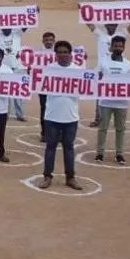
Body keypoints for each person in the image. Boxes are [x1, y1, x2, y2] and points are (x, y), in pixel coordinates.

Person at [40, 40, 83, 191]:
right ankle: (47, 176)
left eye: (65, 52)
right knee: (50, 147)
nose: (63, 55)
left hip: (71, 117)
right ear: (55, 54)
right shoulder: (48, 70)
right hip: (52, 116)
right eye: (60, 52)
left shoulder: (79, 70)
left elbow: (89, 87)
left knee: (69, 148)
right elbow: (38, 85)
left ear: (70, 54)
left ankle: (70, 177)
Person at [86, 20, 130, 127]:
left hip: (118, 68)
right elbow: (90, 26)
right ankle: (98, 118)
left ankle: (118, 118)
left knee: (119, 93)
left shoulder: (121, 35)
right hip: (102, 69)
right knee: (99, 94)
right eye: (109, 25)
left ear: (116, 26)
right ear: (105, 26)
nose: (111, 27)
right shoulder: (100, 35)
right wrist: (83, 12)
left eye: (113, 25)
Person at [95, 36, 130, 164]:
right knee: (102, 128)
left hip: (122, 103)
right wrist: (98, 77)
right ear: (111, 47)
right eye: (115, 46)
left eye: (120, 46)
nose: (118, 48)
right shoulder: (103, 61)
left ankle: (119, 153)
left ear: (124, 47)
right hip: (105, 101)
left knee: (120, 129)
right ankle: (100, 153)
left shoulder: (128, 64)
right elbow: (95, 77)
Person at [0, 26, 29, 121]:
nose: (6, 29)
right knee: (5, 91)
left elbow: (26, 26)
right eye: (4, 27)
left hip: (16, 66)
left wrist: (34, 13)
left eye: (8, 27)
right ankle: (6, 114)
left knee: (17, 91)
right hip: (3, 68)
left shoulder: (17, 33)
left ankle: (20, 114)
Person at [37, 31, 56, 143]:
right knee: (44, 109)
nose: (48, 42)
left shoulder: (59, 52)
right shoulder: (38, 54)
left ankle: (57, 133)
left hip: (57, 86)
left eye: (50, 40)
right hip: (43, 86)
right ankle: (44, 133)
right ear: (43, 41)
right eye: (46, 40)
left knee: (57, 109)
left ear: (54, 41)